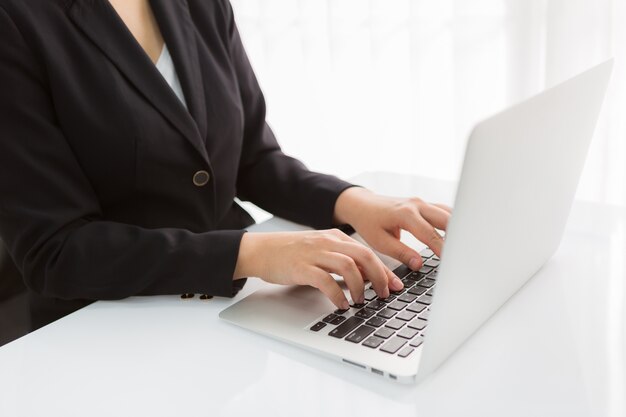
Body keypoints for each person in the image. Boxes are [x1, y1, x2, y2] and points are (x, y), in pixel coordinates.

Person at [0, 0, 451, 333]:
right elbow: (53, 251)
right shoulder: (16, 22)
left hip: (228, 312)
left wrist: (354, 202)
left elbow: (252, 158)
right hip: (106, 328)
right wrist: (251, 253)